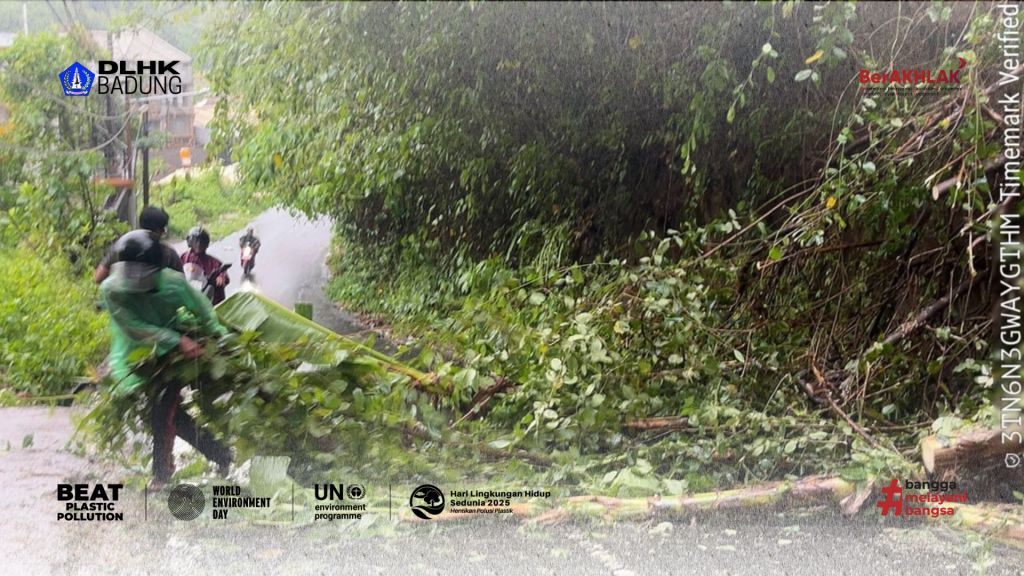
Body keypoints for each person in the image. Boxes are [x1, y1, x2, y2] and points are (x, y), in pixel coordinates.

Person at [99, 229, 233, 490]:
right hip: (136, 356)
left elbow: (203, 309)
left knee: (162, 413)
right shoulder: (112, 290)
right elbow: (133, 326)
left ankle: (161, 475)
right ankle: (221, 454)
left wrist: (220, 338)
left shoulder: (173, 283)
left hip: (172, 358)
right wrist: (176, 340)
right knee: (174, 417)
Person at [94, 206, 183, 284]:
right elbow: (182, 284)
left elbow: (98, 277)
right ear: (158, 230)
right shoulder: (169, 254)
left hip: (122, 301)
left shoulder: (121, 247)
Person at [181, 226, 229, 305]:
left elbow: (223, 274)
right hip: (186, 295)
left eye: (202, 242)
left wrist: (222, 277)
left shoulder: (214, 262)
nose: (198, 244)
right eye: (196, 241)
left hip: (208, 301)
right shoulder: (182, 258)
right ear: (190, 242)